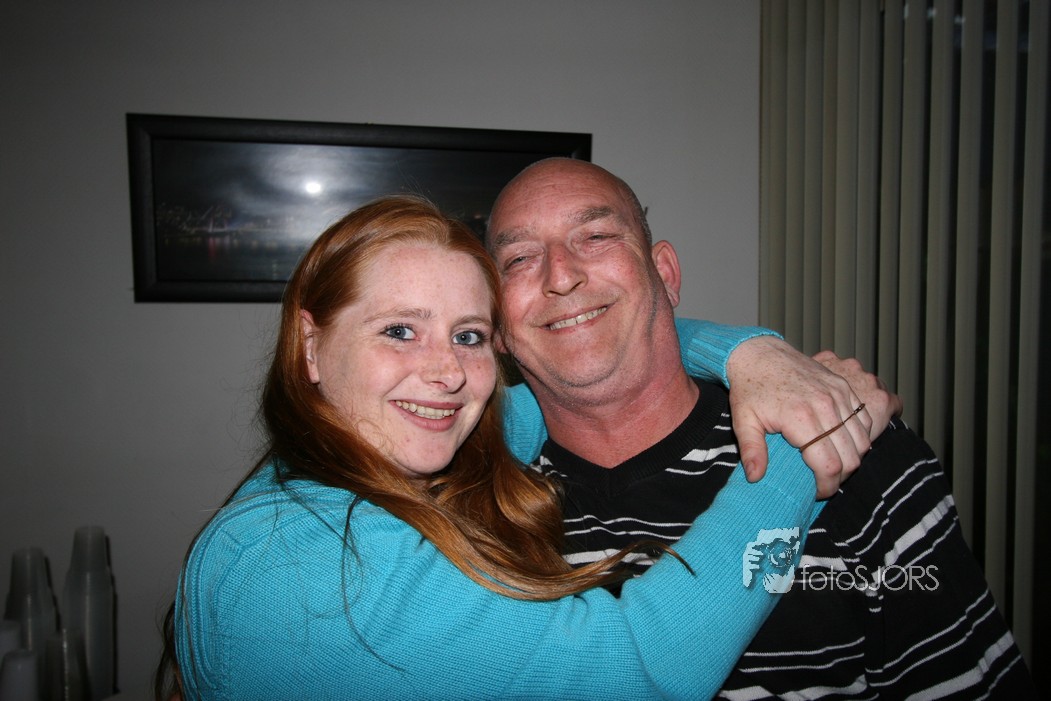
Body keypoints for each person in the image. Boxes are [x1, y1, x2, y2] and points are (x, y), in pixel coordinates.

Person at [170, 195, 861, 700]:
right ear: (311, 345)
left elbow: (594, 356)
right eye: (400, 331)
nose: (446, 373)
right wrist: (803, 437)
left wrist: (752, 354)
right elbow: (644, 671)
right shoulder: (308, 570)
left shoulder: (375, 454)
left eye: (468, 335)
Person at [486, 158, 1037, 697]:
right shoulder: (471, 519)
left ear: (666, 275)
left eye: (597, 236)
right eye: (519, 259)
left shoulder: (855, 443)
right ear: (498, 330)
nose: (561, 276)